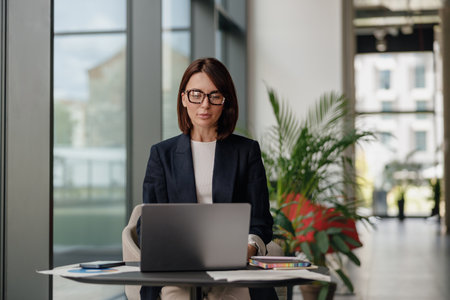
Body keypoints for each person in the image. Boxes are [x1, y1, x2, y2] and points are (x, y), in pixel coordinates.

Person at [139, 57, 277, 300]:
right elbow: (148, 225)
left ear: (225, 102)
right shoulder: (162, 154)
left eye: (214, 96)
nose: (205, 104)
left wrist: (248, 248)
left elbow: (261, 221)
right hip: (177, 272)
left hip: (235, 270)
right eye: (196, 94)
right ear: (183, 98)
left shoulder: (246, 152)